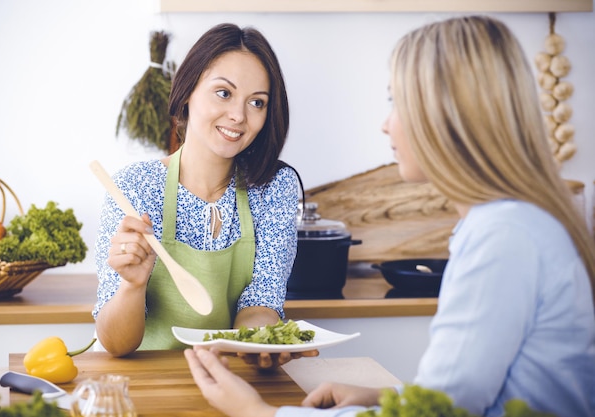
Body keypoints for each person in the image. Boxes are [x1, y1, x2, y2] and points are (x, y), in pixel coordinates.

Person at [184, 15, 595, 417]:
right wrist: (385, 398)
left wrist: (258, 413)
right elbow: (459, 397)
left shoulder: (503, 237)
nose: (385, 124)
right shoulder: (512, 224)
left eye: (396, 101)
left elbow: (439, 413)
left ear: (446, 116)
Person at [93, 23, 314, 367]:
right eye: (224, 93)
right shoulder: (133, 188)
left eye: (257, 102)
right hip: (145, 386)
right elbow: (116, 344)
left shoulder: (274, 188)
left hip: (230, 377)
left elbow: (261, 303)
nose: (239, 116)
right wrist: (132, 286)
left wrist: (262, 345)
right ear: (187, 91)